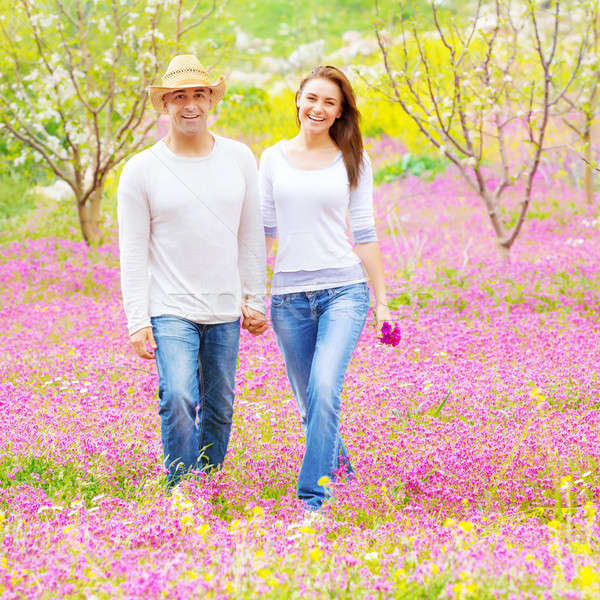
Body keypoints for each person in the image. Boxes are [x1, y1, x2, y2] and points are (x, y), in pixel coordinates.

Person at [118, 55, 268, 488]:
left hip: (224, 307)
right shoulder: (141, 169)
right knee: (179, 395)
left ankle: (209, 481)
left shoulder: (239, 158)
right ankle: (181, 488)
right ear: (165, 103)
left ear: (211, 100)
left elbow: (250, 235)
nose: (190, 105)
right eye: (179, 96)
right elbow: (131, 250)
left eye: (198, 95)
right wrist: (136, 320)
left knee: (220, 405)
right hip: (170, 307)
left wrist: (255, 298)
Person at [256, 65, 391, 512]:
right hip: (289, 298)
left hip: (344, 291)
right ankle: (343, 473)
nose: (318, 108)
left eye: (329, 102)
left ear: (339, 113)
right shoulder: (272, 158)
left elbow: (365, 232)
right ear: (298, 99)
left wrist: (382, 303)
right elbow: (265, 232)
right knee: (306, 402)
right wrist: (252, 293)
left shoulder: (353, 159)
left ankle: (314, 497)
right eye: (312, 98)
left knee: (324, 385)